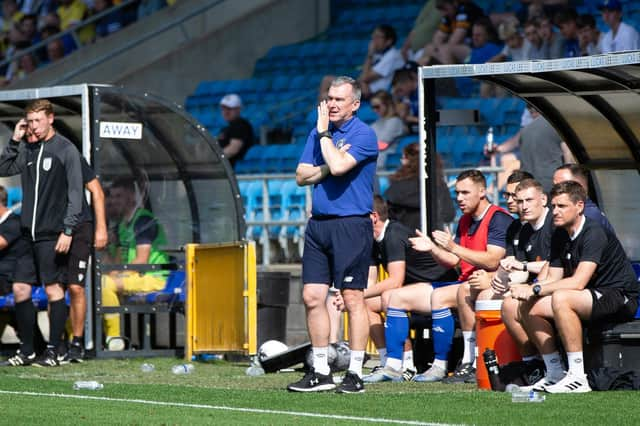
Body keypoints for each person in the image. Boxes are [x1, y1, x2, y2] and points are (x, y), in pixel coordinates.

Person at [287, 76, 378, 394]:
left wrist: (326, 143)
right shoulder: (317, 133)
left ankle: (355, 372)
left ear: (355, 105)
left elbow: (341, 167)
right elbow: (301, 176)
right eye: (329, 98)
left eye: (340, 99)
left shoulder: (363, 133)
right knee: (312, 297)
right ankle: (321, 370)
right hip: (319, 225)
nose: (333, 104)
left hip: (351, 224)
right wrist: (327, 162)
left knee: (353, 299)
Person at [509, 181, 638, 393]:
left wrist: (535, 289)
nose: (555, 211)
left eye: (562, 206)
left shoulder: (593, 233)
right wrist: (527, 290)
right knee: (526, 305)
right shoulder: (560, 233)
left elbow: (578, 282)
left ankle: (578, 377)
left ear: (579, 206)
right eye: (554, 206)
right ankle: (554, 372)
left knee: (561, 298)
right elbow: (554, 277)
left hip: (619, 296)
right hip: (589, 295)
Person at [0, 99, 87, 367]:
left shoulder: (66, 150)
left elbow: (76, 193)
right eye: (30, 122)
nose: (33, 127)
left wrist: (68, 229)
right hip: (28, 234)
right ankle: (28, 350)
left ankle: (54, 349)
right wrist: (14, 141)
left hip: (53, 234)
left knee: (53, 290)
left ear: (50, 118)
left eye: (37, 121)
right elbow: (4, 169)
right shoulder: (27, 148)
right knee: (21, 288)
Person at [408, 169, 513, 383]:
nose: (459, 198)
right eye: (457, 193)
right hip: (468, 280)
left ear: (482, 191)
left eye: (465, 192)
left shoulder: (498, 219)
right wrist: (432, 249)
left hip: (494, 282)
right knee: (394, 297)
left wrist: (453, 246)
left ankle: (470, 360)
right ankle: (419, 365)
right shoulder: (465, 219)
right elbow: (455, 261)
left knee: (461, 290)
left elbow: (493, 260)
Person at [21, 126, 107, 363]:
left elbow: (97, 192)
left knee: (76, 287)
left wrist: (100, 228)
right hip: (53, 231)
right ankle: (55, 345)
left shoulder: (69, 154)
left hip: (79, 229)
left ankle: (77, 342)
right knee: (54, 289)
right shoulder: (34, 158)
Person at [363, 195, 458, 382]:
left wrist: (359, 293)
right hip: (417, 290)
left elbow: (395, 281)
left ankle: (406, 365)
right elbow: (369, 282)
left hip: (442, 285)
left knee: (391, 295)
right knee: (364, 304)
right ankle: (386, 362)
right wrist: (353, 296)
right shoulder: (372, 240)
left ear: (373, 217)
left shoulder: (394, 234)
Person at [101, 177, 169, 351]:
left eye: (119, 196)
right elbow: (115, 263)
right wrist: (109, 247)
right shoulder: (121, 225)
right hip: (134, 275)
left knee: (104, 284)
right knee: (98, 281)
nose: (114, 201)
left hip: (153, 276)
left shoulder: (143, 221)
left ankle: (114, 337)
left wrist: (116, 274)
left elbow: (141, 260)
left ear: (131, 197)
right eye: (112, 197)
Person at [498, 178, 555, 367]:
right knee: (508, 302)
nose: (524, 206)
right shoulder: (524, 231)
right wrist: (506, 280)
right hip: (538, 284)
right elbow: (521, 266)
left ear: (544, 200)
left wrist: (522, 267)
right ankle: (531, 364)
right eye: (520, 201)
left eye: (529, 200)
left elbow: (552, 266)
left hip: (559, 285)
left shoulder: (554, 224)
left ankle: (553, 365)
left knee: (525, 304)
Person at [492, 105, 573, 193]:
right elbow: (568, 153)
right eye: (531, 112)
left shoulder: (528, 129)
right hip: (548, 182)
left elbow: (568, 152)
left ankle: (492, 191)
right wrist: (570, 176)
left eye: (534, 111)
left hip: (532, 183)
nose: (533, 115)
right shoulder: (557, 124)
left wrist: (498, 149)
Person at [384, 143, 454, 233]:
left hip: (405, 239)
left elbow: (389, 216)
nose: (401, 161)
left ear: (408, 161)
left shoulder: (397, 187)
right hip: (433, 238)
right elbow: (448, 215)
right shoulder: (438, 185)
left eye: (403, 158)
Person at [417, 0, 486, 65]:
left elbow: (455, 40)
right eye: (441, 10)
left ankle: (449, 77)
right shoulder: (448, 15)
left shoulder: (466, 10)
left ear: (454, 3)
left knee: (445, 50)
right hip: (463, 48)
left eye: (445, 8)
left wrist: (439, 50)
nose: (443, 13)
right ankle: (420, 76)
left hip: (480, 49)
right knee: (429, 48)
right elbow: (438, 38)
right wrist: (436, 49)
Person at [552, 163, 615, 234]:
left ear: (579, 186)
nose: (556, 190)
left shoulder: (588, 217)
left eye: (562, 186)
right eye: (555, 186)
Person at [217, 93, 255, 167]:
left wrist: (214, 158)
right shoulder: (227, 128)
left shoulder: (240, 125)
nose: (225, 112)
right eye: (223, 109)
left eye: (229, 109)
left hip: (233, 170)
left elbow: (233, 149)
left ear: (238, 109)